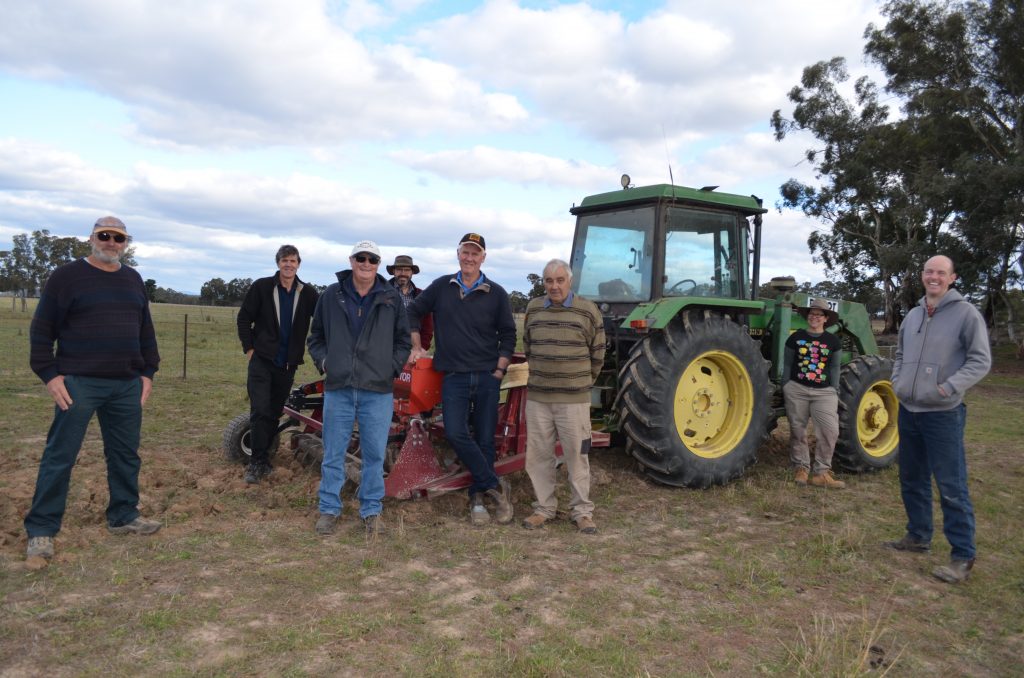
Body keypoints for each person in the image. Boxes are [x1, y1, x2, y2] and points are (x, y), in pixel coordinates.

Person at [24, 217, 162, 563]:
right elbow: (42, 331)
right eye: (105, 235)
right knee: (61, 456)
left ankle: (124, 515)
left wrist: (148, 372)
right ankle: (41, 529)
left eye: (119, 237)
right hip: (79, 384)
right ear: (91, 238)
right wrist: (50, 375)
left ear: (125, 242)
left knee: (125, 455)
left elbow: (145, 329)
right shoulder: (66, 277)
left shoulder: (133, 279)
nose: (112, 242)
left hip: (127, 384)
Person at [886, 255, 991, 584]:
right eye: (929, 272)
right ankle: (918, 537)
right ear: (922, 276)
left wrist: (948, 388)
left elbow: (980, 360)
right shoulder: (914, 314)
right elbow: (901, 353)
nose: (934, 277)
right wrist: (898, 381)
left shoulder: (966, 314)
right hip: (909, 410)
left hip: (942, 414)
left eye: (941, 273)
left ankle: (962, 556)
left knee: (951, 486)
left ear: (952, 277)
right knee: (911, 478)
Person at [407, 233, 517, 526]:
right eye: (465, 252)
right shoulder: (443, 286)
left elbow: (508, 334)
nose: (469, 258)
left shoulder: (496, 293)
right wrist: (417, 346)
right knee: (455, 432)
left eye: (475, 253)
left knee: (484, 439)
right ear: (458, 255)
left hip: (486, 377)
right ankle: (493, 485)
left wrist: (499, 370)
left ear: (483, 258)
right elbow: (412, 312)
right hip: (453, 376)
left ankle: (477, 497)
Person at [308, 240, 411, 536]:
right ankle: (329, 508)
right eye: (361, 258)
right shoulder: (332, 295)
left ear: (379, 264)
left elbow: (404, 341)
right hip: (339, 387)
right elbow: (316, 337)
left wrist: (389, 367)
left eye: (372, 259)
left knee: (374, 454)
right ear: (351, 260)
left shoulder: (390, 298)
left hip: (376, 390)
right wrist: (326, 363)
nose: (366, 264)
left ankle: (371, 510)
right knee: (333, 452)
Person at [521, 259, 605, 534]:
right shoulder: (533, 308)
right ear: (543, 283)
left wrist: (580, 383)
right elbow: (529, 347)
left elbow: (598, 353)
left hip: (574, 401)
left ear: (569, 282)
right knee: (539, 456)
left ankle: (582, 512)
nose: (554, 286)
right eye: (548, 281)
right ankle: (544, 509)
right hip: (539, 399)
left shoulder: (587, 311)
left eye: (559, 280)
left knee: (576, 456)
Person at [236, 245, 319, 484]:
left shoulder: (307, 293)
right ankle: (256, 463)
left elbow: (322, 318)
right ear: (278, 263)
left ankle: (265, 456)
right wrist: (250, 348)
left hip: (288, 365)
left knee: (273, 413)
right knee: (260, 410)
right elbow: (244, 318)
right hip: (262, 361)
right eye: (285, 260)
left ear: (298, 264)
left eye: (293, 261)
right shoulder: (262, 287)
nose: (289, 265)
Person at [782, 298, 845, 489]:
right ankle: (801, 468)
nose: (814, 317)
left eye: (818, 315)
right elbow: (787, 363)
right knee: (797, 430)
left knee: (829, 430)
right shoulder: (795, 338)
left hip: (824, 392)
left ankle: (821, 472)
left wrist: (833, 389)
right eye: (812, 314)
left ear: (826, 318)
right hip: (797, 389)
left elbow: (835, 368)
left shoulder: (832, 341)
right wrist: (786, 385)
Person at [386, 254, 433, 351]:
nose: (403, 273)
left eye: (407, 270)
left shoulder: (421, 295)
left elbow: (428, 326)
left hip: (412, 351)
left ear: (412, 273)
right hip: (386, 349)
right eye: (399, 269)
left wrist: (422, 348)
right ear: (394, 272)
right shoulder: (382, 293)